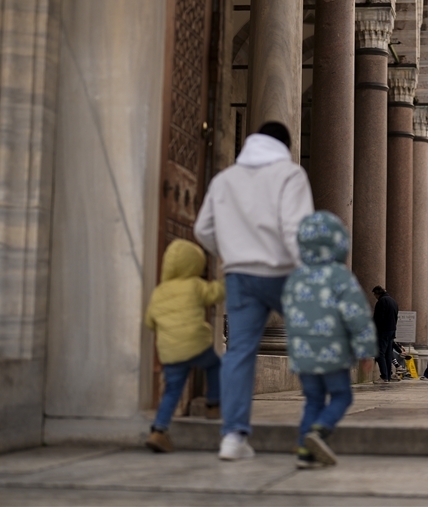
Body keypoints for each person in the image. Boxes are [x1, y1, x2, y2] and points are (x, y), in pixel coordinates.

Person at [194, 122, 314, 461]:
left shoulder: (224, 180)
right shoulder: (290, 176)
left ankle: (232, 437)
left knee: (239, 352)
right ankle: (314, 426)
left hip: (239, 275)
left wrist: (230, 251)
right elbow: (295, 230)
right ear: (285, 146)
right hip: (282, 273)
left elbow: (202, 228)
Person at [282, 211, 376, 469]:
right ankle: (320, 430)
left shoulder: (296, 278)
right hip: (333, 353)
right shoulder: (340, 276)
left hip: (304, 354)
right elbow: (357, 316)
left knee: (313, 400)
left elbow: (288, 313)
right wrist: (366, 350)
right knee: (341, 396)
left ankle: (305, 451)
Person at [144, 239, 225, 453]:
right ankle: (213, 404)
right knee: (215, 365)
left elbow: (149, 322)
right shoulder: (194, 285)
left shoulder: (159, 292)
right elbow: (215, 294)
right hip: (195, 345)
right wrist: (227, 279)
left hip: (171, 352)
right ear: (194, 264)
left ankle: (158, 431)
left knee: (172, 391)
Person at [371, 285, 399, 383]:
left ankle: (384, 376)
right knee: (388, 354)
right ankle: (388, 375)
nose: (375, 297)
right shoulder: (393, 301)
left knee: (380, 353)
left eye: (374, 294)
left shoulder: (381, 302)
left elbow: (379, 318)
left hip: (383, 331)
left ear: (377, 293)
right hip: (392, 330)